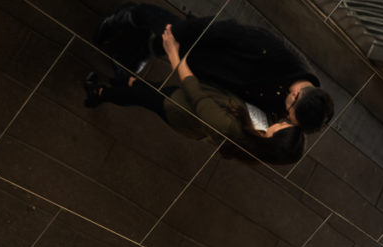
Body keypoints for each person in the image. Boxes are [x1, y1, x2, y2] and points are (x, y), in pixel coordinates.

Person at [94, 3, 334, 133]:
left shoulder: (299, 102)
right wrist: (180, 35)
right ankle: (128, 15)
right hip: (207, 48)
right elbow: (226, 31)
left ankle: (140, 48)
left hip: (211, 73)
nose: (287, 120)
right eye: (290, 115)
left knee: (162, 49)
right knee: (166, 31)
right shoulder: (279, 56)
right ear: (294, 95)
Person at [84, 25, 304, 165]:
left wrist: (173, 54)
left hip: (178, 107)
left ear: (273, 140)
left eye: (284, 126)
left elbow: (198, 97)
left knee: (140, 97)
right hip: (185, 103)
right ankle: (123, 81)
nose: (284, 121)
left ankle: (99, 93)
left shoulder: (231, 130)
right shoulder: (259, 132)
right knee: (145, 89)